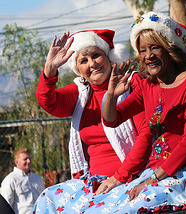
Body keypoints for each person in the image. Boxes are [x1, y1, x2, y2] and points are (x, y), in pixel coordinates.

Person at [97, 11, 186, 213]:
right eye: (143, 50)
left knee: (134, 208)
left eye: (155, 47)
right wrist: (111, 94)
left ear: (171, 49)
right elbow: (112, 119)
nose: (148, 55)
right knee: (107, 207)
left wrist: (150, 181)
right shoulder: (148, 86)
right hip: (156, 177)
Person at [32, 29, 153, 213]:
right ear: (78, 69)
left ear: (109, 57)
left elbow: (146, 135)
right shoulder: (80, 92)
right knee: (48, 199)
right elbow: (49, 102)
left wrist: (118, 177)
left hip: (132, 178)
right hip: (96, 183)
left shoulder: (131, 82)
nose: (92, 64)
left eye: (96, 55)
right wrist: (50, 69)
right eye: (83, 60)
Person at [1, 148, 45, 214]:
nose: (29, 161)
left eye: (30, 158)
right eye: (25, 159)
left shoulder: (37, 179)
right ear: (16, 162)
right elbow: (6, 205)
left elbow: (43, 199)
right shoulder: (11, 180)